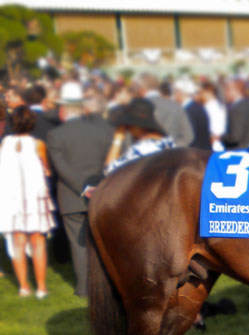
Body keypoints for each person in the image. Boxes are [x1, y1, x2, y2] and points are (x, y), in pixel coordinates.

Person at [46, 82, 114, 297]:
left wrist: (84, 188)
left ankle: (85, 288)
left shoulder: (55, 135)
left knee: (79, 245)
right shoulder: (102, 132)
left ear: (64, 110)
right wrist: (97, 185)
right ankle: (107, 284)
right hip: (102, 192)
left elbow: (61, 168)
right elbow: (109, 162)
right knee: (103, 242)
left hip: (71, 196)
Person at [0, 106, 57, 298]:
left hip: (12, 199)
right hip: (34, 198)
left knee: (17, 242)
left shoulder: (4, 143)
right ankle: (41, 287)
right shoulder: (38, 144)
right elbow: (46, 169)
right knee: (38, 242)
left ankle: (24, 286)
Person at [103, 98, 175, 176]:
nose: (128, 129)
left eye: (129, 126)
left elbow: (109, 171)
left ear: (137, 125)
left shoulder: (142, 148)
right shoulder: (168, 142)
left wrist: (118, 138)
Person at [140, 73, 194, 148]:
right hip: (170, 155)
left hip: (143, 155)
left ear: (142, 89)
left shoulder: (139, 107)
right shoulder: (175, 106)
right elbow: (188, 136)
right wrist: (171, 148)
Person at [221, 80, 249, 150]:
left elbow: (234, 137)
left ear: (234, 90)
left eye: (226, 90)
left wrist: (221, 138)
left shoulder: (237, 109)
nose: (225, 94)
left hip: (240, 152)